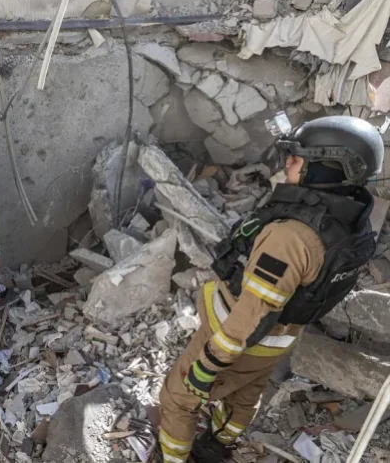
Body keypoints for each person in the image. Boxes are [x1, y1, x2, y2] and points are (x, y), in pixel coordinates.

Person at [152, 116, 383, 463]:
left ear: (328, 168)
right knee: (244, 396)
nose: (287, 163)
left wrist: (208, 365)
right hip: (281, 340)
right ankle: (215, 445)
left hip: (238, 340)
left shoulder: (289, 237)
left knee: (177, 400)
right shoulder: (351, 219)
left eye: (297, 158)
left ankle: (173, 457)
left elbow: (252, 314)